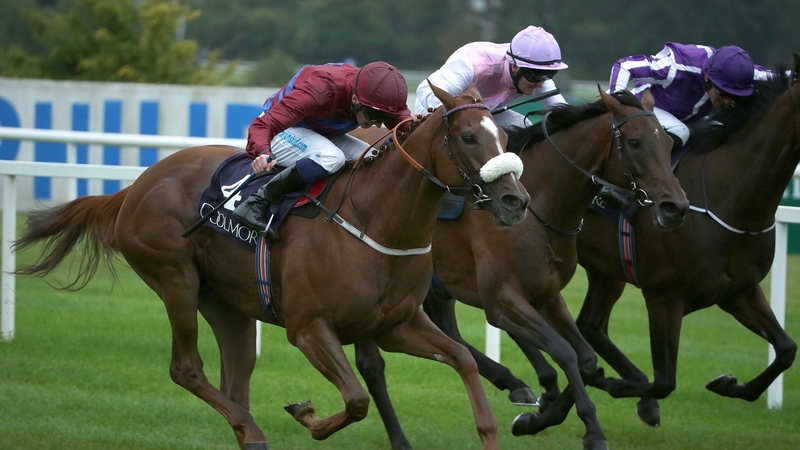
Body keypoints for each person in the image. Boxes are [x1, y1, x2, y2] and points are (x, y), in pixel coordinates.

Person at [233, 61, 414, 234]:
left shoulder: (376, 95)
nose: (376, 124)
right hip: (280, 130)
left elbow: (404, 124)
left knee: (371, 157)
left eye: (384, 117)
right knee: (332, 157)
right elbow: (263, 125)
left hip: (318, 132)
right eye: (373, 116)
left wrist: (417, 127)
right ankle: (257, 201)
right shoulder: (320, 90)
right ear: (355, 99)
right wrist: (262, 151)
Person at [608, 43, 773, 151]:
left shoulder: (740, 75)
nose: (727, 101)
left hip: (688, 118)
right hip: (649, 107)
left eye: (734, 96)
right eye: (723, 93)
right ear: (707, 78)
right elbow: (625, 66)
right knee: (681, 132)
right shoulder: (676, 66)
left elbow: (782, 77)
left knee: (721, 130)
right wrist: (619, 108)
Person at [415, 26, 569, 129]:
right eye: (536, 76)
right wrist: (460, 117)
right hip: (437, 111)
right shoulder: (474, 64)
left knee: (524, 127)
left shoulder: (534, 73)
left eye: (549, 75)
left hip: (483, 111)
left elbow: (565, 113)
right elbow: (426, 89)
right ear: (515, 67)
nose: (541, 83)